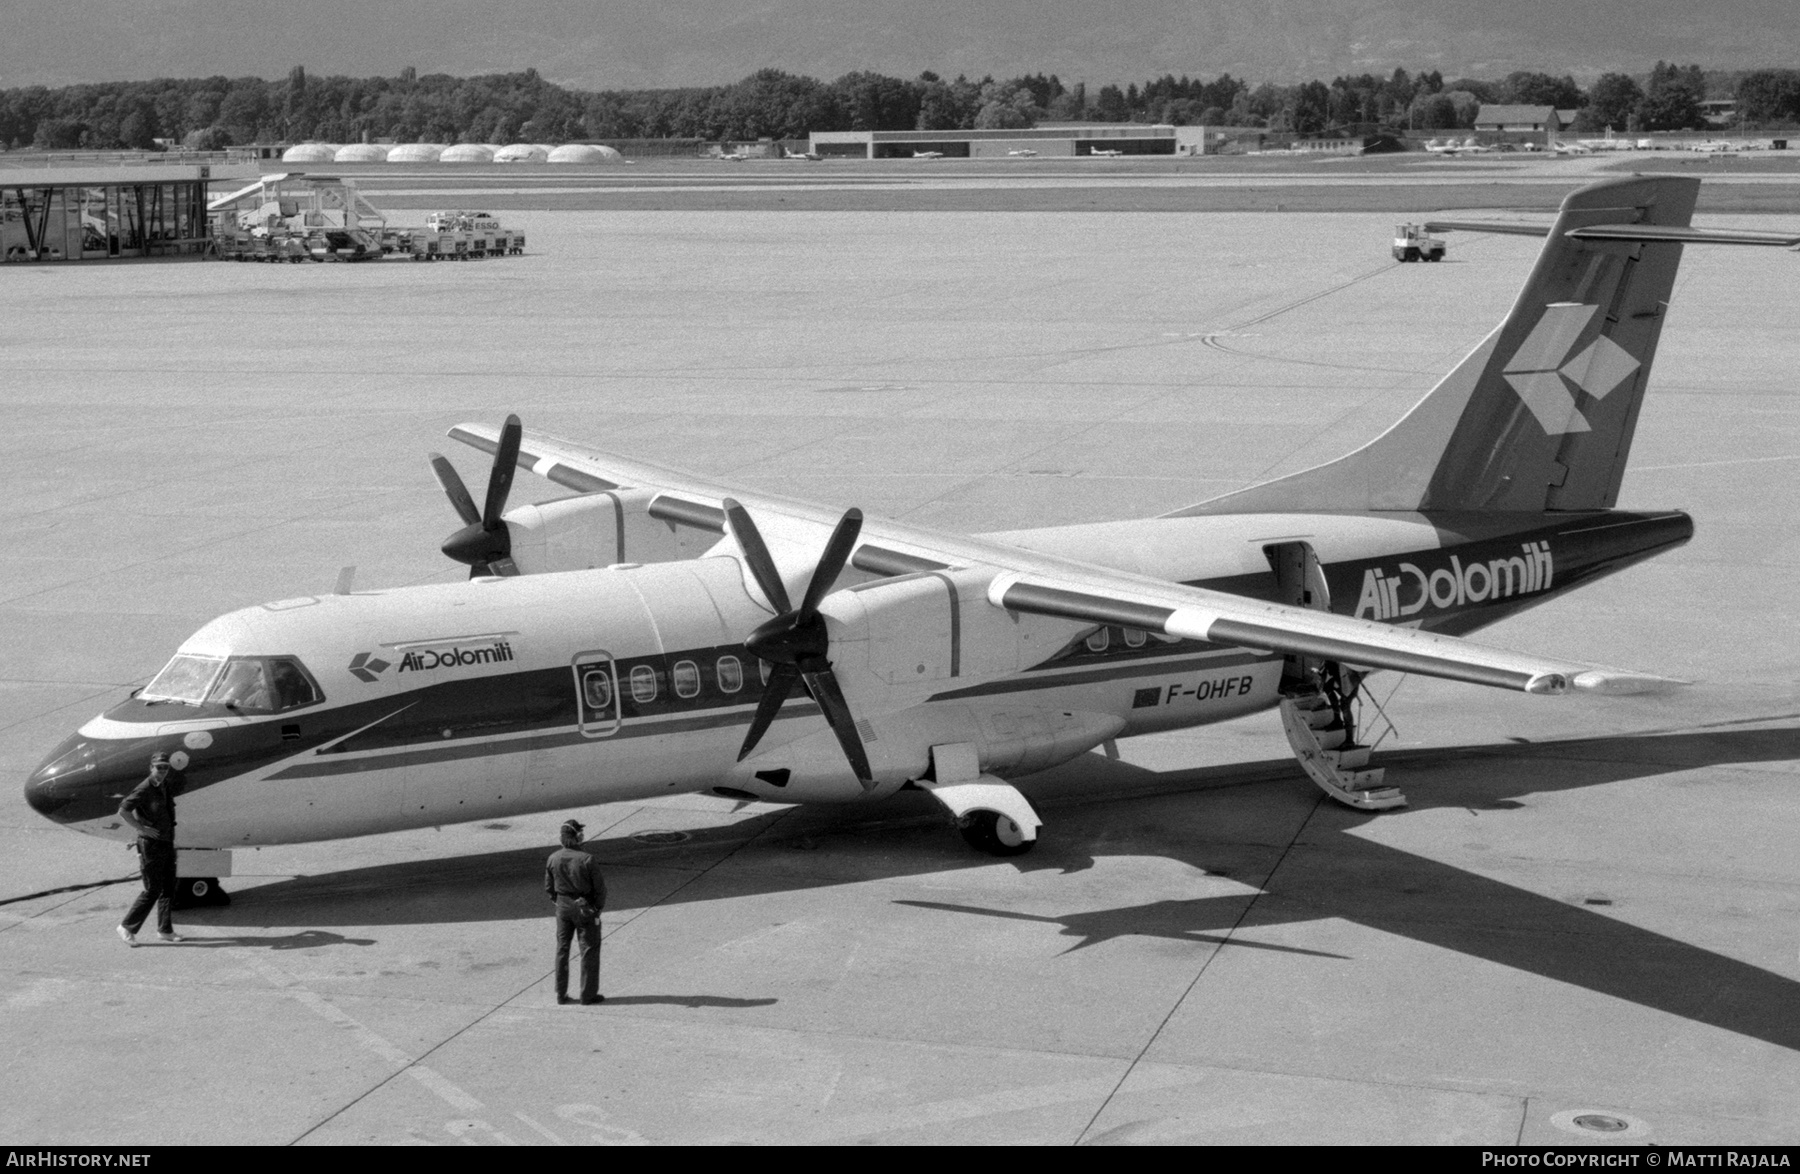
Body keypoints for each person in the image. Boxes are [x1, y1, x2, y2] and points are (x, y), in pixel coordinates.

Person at [116, 751, 184, 945]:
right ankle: (127, 927)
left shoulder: (164, 786)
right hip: (151, 846)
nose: (162, 771)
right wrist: (141, 829)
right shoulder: (144, 788)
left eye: (165, 767)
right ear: (151, 768)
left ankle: (165, 930)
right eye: (159, 767)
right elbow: (123, 810)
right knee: (152, 889)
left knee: (168, 888)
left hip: (166, 842)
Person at [544, 819, 606, 1005]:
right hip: (583, 907)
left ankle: (560, 994)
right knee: (588, 949)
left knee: (562, 949)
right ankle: (587, 995)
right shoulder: (587, 859)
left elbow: (548, 887)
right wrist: (596, 909)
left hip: (563, 906)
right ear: (578, 836)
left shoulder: (553, 858)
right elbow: (600, 889)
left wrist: (559, 902)